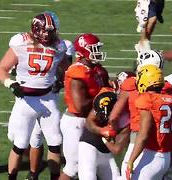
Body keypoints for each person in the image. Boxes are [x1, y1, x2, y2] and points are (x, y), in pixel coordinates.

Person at [0, 12, 70, 180]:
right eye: (45, 31)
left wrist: (66, 80)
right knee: (20, 144)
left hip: (48, 98)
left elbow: (67, 70)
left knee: (55, 143)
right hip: (26, 101)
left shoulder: (59, 46)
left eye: (51, 31)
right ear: (36, 29)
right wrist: (11, 83)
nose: (49, 34)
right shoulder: (21, 43)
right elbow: (1, 70)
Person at [108, 49, 169, 178]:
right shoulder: (166, 87)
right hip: (161, 140)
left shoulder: (131, 84)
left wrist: (113, 132)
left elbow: (114, 116)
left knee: (128, 174)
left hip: (138, 137)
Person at [58, 33, 108, 180]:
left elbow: (105, 87)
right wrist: (102, 97)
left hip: (91, 121)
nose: (97, 52)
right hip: (76, 122)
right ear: (83, 51)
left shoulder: (97, 69)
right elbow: (80, 106)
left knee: (95, 163)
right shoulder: (77, 73)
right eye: (94, 49)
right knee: (73, 168)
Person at [126, 65, 172, 179]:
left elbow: (143, 135)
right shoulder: (171, 100)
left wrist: (130, 160)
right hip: (166, 156)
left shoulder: (147, 99)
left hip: (152, 156)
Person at [78, 88, 120, 180]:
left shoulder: (125, 107)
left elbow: (117, 149)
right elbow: (89, 122)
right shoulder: (106, 100)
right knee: (88, 177)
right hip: (89, 146)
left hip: (106, 151)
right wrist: (101, 131)